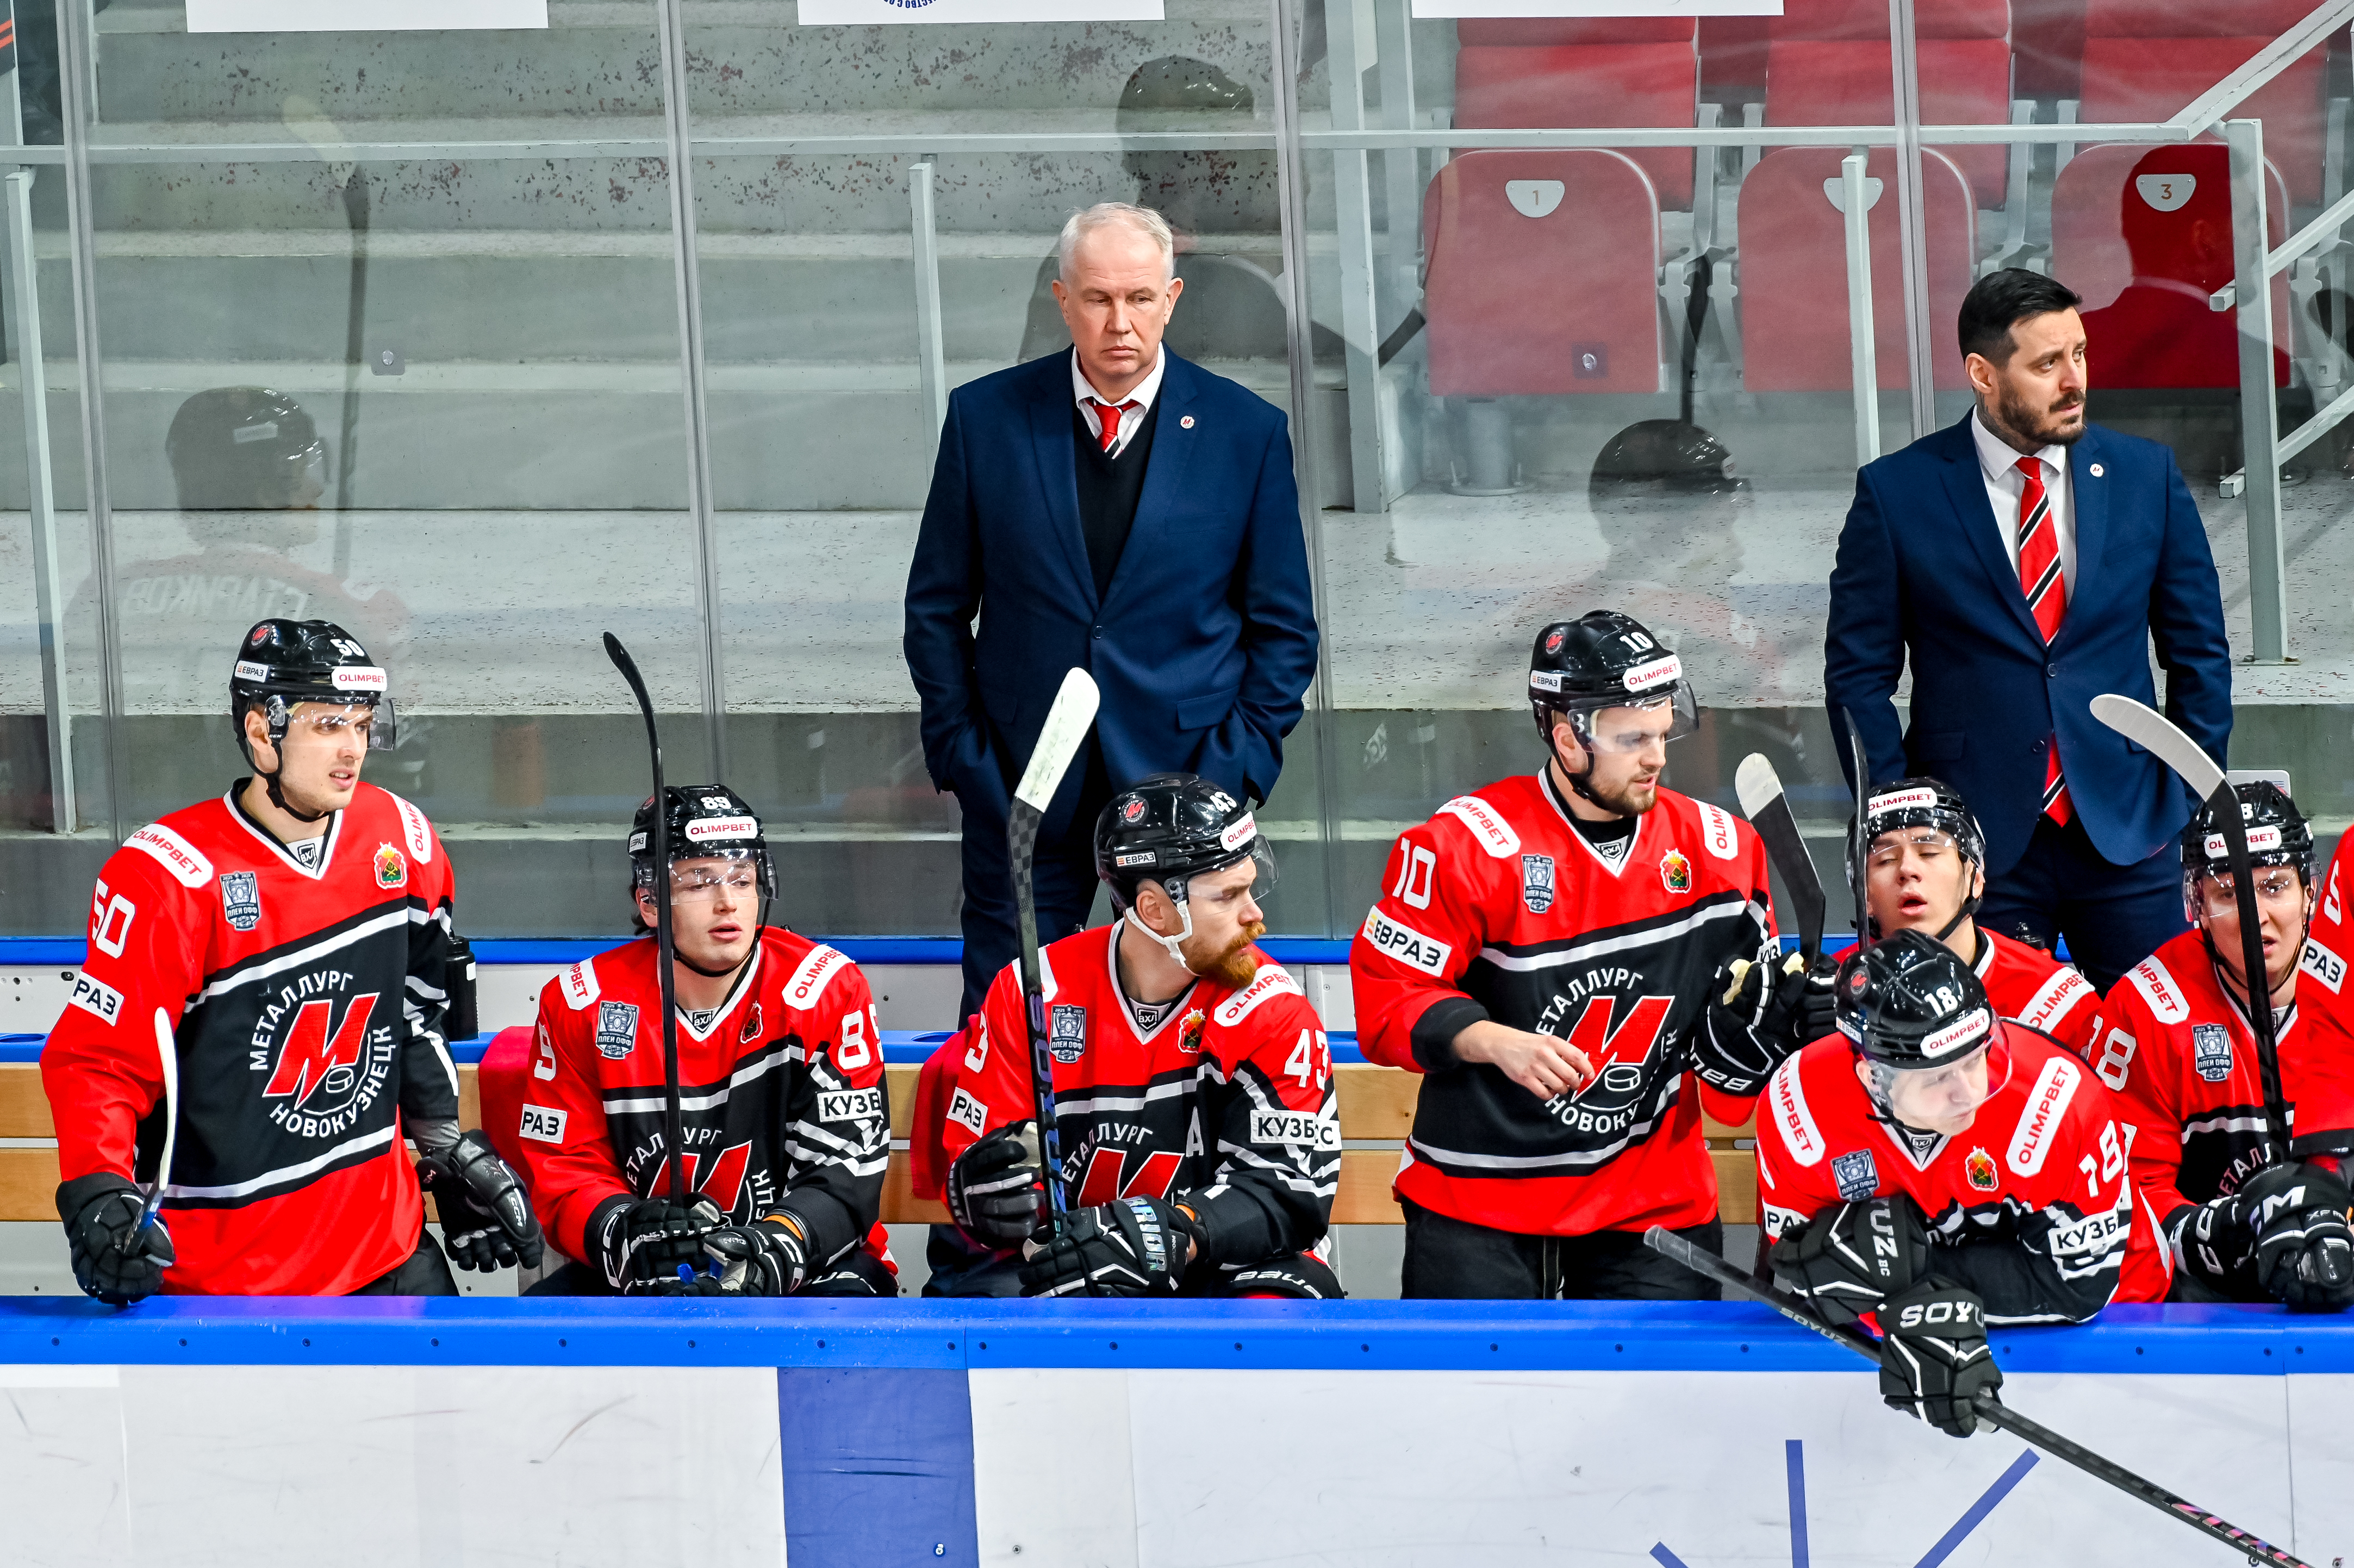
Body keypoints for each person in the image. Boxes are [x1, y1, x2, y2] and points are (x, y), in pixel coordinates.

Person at [903, 201, 1320, 1018]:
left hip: (1186, 788)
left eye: (1137, 298)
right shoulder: (986, 420)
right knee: (1006, 1027)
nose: (1118, 322)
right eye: (1097, 299)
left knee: (1199, 1027)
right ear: (1062, 301)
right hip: (1021, 784)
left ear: (1171, 298)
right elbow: (936, 609)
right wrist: (963, 756)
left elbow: (1283, 628)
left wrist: (1233, 773)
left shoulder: (1246, 432)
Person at [40, 618, 541, 1299]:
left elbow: (415, 1013)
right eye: (328, 725)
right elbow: (98, 1061)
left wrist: (444, 1145)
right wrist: (99, 1192)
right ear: (259, 732)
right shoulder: (168, 876)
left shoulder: (403, 840)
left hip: (384, 1253)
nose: (353, 750)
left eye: (362, 725)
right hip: (223, 1282)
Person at [1350, 610, 1829, 1300]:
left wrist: (1784, 1027)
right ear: (1565, 736)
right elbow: (1386, 996)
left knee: (1656, 1411)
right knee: (1472, 1409)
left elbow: (1728, 1087)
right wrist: (1493, 1041)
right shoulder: (1464, 845)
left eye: (1663, 732)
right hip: (1480, 1198)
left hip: (1650, 1206)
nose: (1657, 757)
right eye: (1631, 737)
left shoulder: (1723, 854)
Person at [1823, 267, 2233, 993]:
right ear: (1982, 374)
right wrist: (1904, 826)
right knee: (1990, 1065)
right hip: (1974, 845)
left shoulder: (2145, 475)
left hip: (2131, 827)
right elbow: (1857, 678)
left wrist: (2185, 797)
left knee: (2167, 1042)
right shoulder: (1897, 493)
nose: (2072, 379)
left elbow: (2197, 651)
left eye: (2077, 354)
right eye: (2047, 363)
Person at [933, 774, 1341, 1298]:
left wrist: (1170, 1236)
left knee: (1277, 1311)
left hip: (1226, 1261)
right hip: (1081, 1261)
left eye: (1251, 886)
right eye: (1228, 897)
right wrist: (991, 1197)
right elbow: (1000, 1158)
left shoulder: (1271, 1010)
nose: (1254, 914)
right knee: (982, 1305)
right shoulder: (1033, 990)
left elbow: (1287, 1191)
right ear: (1154, 911)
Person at [1760, 934, 2168, 1439]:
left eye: (1975, 1058)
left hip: (2126, 1323)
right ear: (1872, 1078)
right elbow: (1810, 1269)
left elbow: (2077, 1288)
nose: (1969, 1091)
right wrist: (1901, 1309)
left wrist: (1908, 1289)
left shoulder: (2056, 1101)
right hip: (1927, 1338)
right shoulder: (1798, 1107)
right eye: (1937, 1078)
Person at [509, 786, 895, 1296]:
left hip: (806, 1265)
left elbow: (846, 1167)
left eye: (743, 879)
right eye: (699, 882)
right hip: (649, 1270)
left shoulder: (823, 989)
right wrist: (624, 1233)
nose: (728, 902)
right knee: (543, 1337)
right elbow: (564, 1167)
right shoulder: (581, 1003)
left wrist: (772, 1251)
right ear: (648, 902)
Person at [2098, 783, 2354, 1309]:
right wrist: (2225, 1230)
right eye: (2227, 894)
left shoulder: (2344, 993)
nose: (2254, 914)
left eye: (2275, 886)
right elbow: (2120, 1193)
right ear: (2196, 904)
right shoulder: (2145, 1007)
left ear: (2311, 891)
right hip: (2207, 1300)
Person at [1836, 777, 2101, 1061]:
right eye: (1886, 859)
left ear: (1975, 879)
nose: (1908, 869)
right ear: (1863, 894)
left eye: (1929, 852)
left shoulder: (2057, 1003)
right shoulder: (1830, 991)